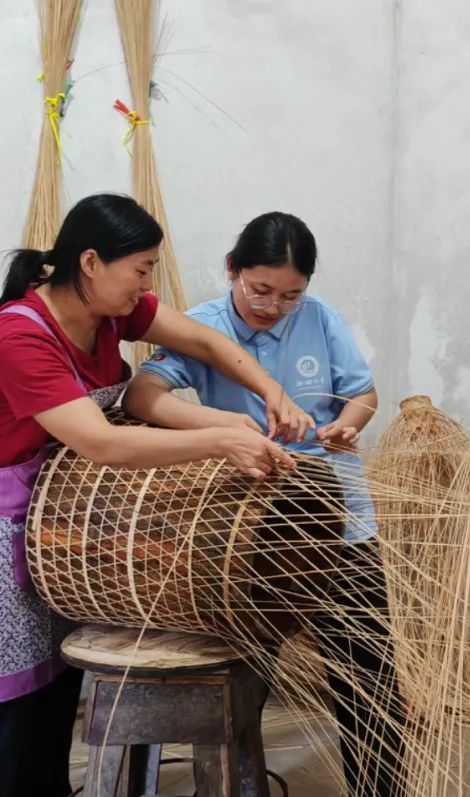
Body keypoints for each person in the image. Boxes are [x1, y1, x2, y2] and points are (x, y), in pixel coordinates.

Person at [0, 194, 310, 797]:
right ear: (90, 262)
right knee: (15, 699)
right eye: (141, 267)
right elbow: (102, 444)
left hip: (60, 520)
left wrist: (272, 391)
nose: (148, 282)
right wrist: (219, 439)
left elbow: (212, 344)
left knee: (59, 684)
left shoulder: (115, 312)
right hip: (6, 524)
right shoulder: (19, 335)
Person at [123, 211, 405, 797]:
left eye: (291, 295)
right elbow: (142, 396)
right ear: (232, 269)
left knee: (369, 672)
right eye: (260, 290)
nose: (274, 306)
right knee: (243, 674)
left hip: (339, 519)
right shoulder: (200, 326)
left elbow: (362, 394)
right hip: (245, 532)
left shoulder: (320, 319)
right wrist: (221, 424)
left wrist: (345, 428)